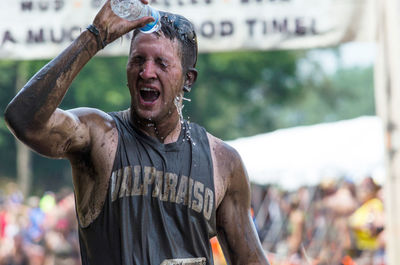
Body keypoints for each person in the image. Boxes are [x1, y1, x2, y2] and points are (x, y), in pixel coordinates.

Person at [4, 0, 270, 264]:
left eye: (161, 64)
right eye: (138, 60)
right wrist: (95, 36)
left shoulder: (221, 162)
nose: (146, 72)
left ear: (188, 79)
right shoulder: (100, 136)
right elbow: (23, 119)